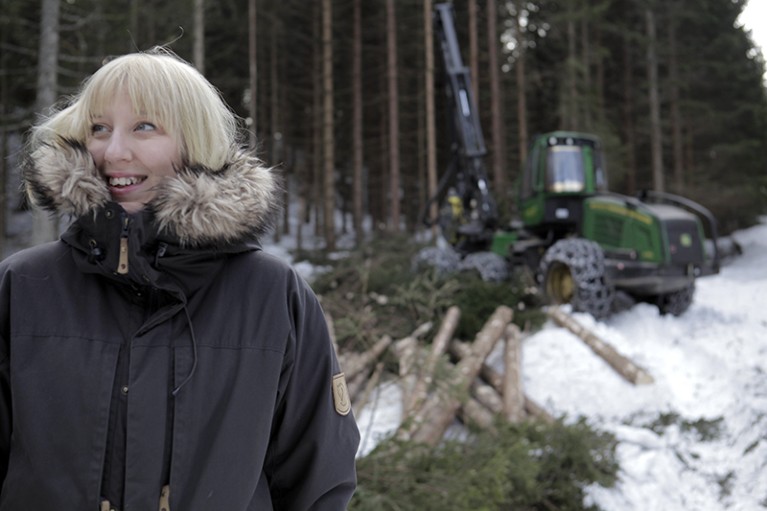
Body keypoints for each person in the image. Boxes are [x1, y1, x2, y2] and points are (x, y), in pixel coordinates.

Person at [0, 47, 360, 510]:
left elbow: (318, 484)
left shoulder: (273, 296)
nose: (114, 151)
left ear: (195, 141)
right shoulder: (21, 286)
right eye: (99, 128)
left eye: (144, 127)